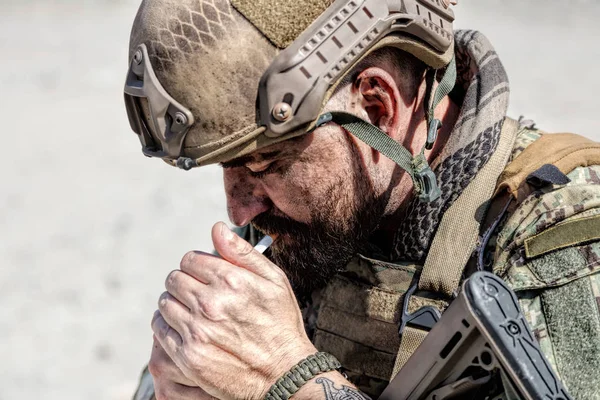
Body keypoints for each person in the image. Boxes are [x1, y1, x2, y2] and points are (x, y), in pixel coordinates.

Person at [123, 0, 600, 399]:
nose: (241, 211)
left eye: (264, 164)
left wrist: (290, 383)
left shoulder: (561, 234)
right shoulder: (309, 221)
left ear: (376, 108)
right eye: (227, 167)